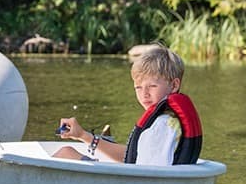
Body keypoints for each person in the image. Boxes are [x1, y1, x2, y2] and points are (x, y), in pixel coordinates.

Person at [54, 43, 203, 165]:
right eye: (138, 87)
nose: (144, 93)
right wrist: (83, 135)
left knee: (65, 154)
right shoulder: (167, 120)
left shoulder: (161, 126)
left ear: (174, 85)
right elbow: (132, 157)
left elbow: (148, 175)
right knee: (67, 151)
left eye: (152, 86)